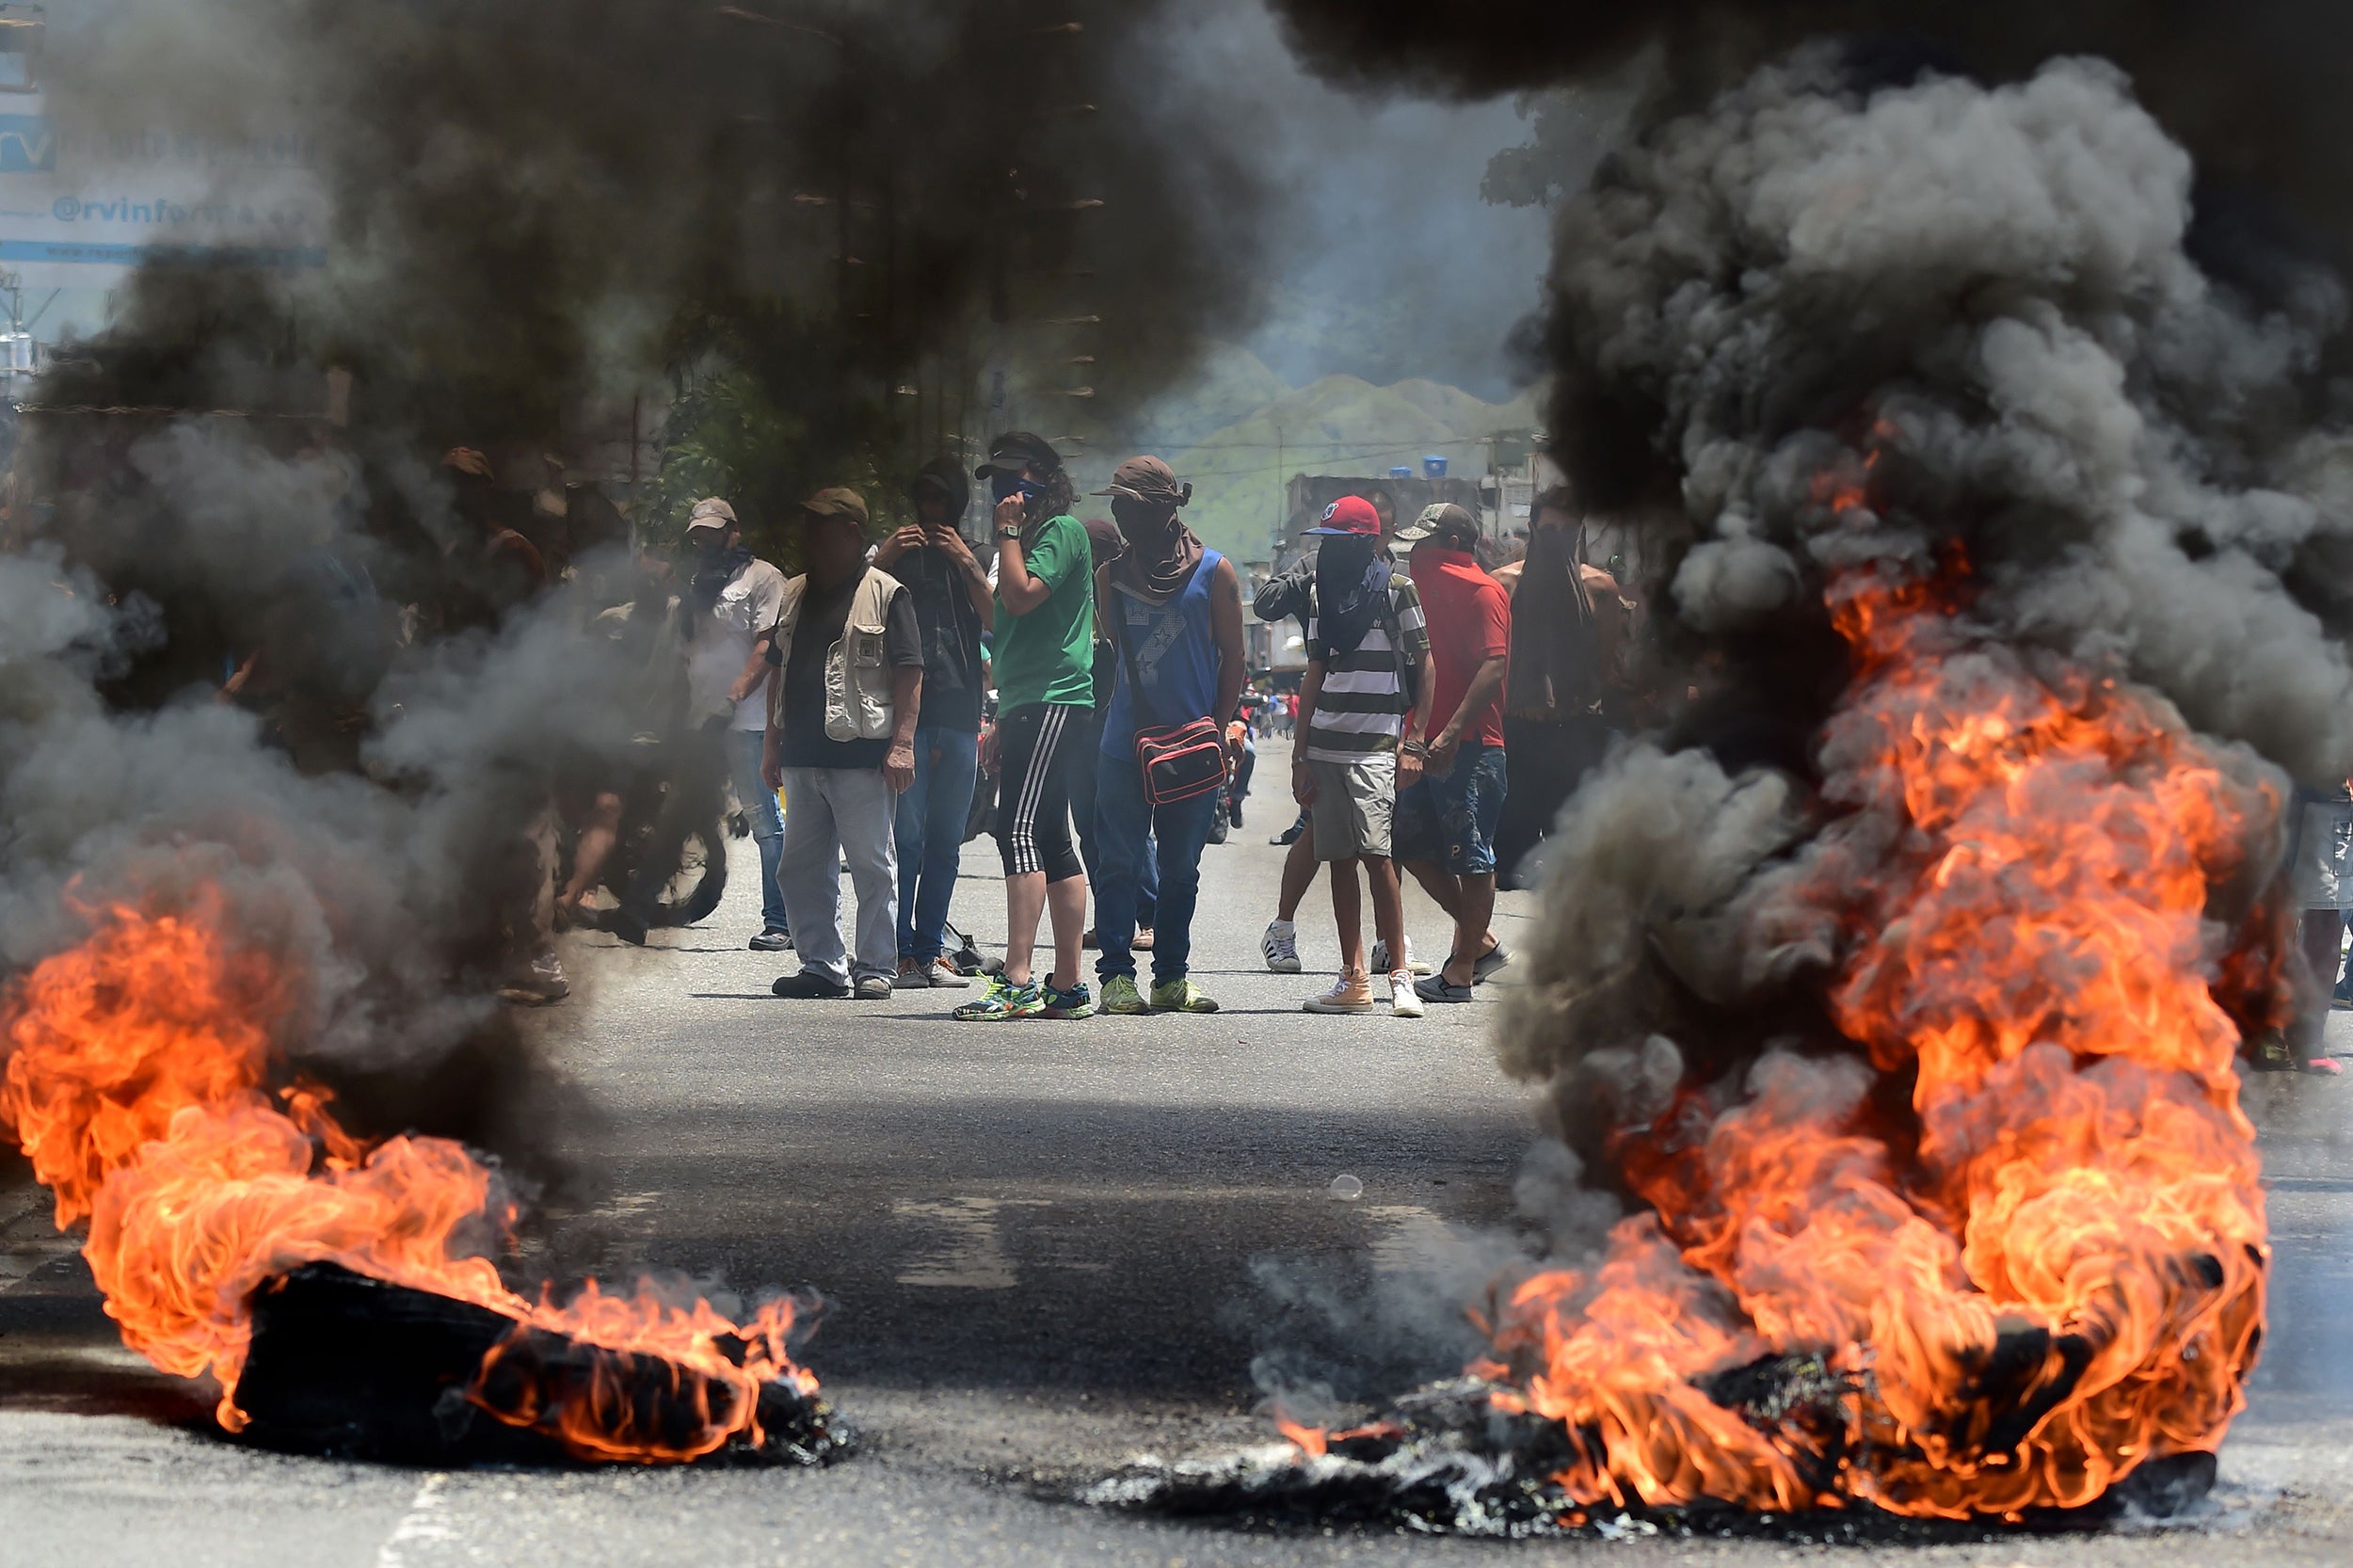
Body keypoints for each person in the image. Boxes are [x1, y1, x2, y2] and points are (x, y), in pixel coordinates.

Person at [1087, 456, 1245, 1016]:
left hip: (1194, 748)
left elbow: (1234, 658)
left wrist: (1224, 723)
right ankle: (1115, 977)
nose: (1117, 515)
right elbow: (1110, 649)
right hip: (1124, 747)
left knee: (1181, 869)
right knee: (1118, 862)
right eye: (1116, 505)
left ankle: (1172, 977)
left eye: (1126, 505)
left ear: (1159, 509)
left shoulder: (1216, 573)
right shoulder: (1110, 576)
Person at [955, 433, 1097, 1021]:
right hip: (1025, 698)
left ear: (1038, 478)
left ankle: (1017, 978)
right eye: (991, 481)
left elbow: (1018, 598)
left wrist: (1008, 535)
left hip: (1052, 697)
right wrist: (969, 564)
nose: (998, 491)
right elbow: (1001, 617)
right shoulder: (1025, 541)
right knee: (1051, 836)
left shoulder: (1061, 532)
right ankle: (1067, 984)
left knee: (1016, 827)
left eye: (1008, 478)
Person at [763, 488, 924, 1000]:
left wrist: (903, 744)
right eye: (807, 527)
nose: (809, 538)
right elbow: (777, 671)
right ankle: (822, 966)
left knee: (873, 864)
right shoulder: (793, 592)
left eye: (821, 528)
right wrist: (772, 745)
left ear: (853, 533)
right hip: (802, 755)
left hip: (861, 756)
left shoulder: (887, 592)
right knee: (801, 866)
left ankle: (876, 966)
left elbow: (910, 671)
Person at [1291, 495, 1433, 1017]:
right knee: (1339, 860)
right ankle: (1353, 978)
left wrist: (1413, 741)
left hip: (1376, 746)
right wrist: (1299, 756)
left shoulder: (1397, 590)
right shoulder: (1320, 594)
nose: (1328, 552)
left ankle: (1399, 976)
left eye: (1336, 542)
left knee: (1379, 858)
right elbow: (1314, 673)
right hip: (1325, 746)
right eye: (1323, 542)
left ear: (1365, 542)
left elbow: (1426, 664)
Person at [1389, 504, 1514, 1004]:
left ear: (1457, 543)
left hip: (1472, 746)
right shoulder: (1418, 587)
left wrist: (1452, 730)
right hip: (1422, 742)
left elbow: (1494, 665)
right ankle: (1480, 942)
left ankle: (1462, 969)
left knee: (1474, 859)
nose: (1416, 551)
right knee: (1410, 847)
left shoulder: (1483, 591)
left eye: (1427, 541)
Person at [876, 459, 991, 989]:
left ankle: (930, 952)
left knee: (946, 840)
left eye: (941, 503)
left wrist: (966, 561)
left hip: (961, 711)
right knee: (907, 837)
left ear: (957, 507)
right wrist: (887, 556)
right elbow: (862, 606)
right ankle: (898, 953)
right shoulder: (894, 556)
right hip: (909, 715)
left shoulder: (977, 556)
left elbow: (995, 619)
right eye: (923, 502)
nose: (930, 513)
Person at [1491, 489, 1629, 888]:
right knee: (1508, 865)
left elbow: (1604, 662)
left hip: (1574, 729)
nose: (1558, 535)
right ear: (1533, 527)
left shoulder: (1601, 589)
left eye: (1568, 529)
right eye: (1549, 528)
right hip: (1515, 730)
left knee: (1571, 863)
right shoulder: (1503, 585)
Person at [676, 496, 793, 951]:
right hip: (701, 718)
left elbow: (768, 647)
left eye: (713, 534)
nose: (705, 543)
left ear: (733, 532)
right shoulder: (699, 583)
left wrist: (733, 698)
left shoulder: (763, 578)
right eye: (698, 536)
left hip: (746, 718)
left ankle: (780, 920)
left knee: (764, 818)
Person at [1070, 516, 1157, 951]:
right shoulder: (1070, 598)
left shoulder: (1123, 593)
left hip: (1117, 726)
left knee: (1127, 829)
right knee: (1088, 827)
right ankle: (1109, 918)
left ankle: (1149, 917)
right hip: (1077, 728)